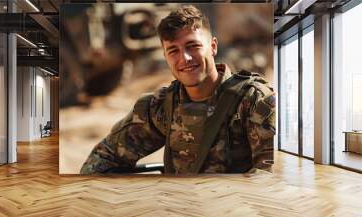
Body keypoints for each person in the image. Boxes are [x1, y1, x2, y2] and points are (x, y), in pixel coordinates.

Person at [80, 5, 275, 174]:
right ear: (165, 56)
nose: (185, 58)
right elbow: (102, 158)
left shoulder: (253, 100)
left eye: (193, 46)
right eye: (174, 51)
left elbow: (267, 175)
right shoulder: (161, 106)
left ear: (213, 47)